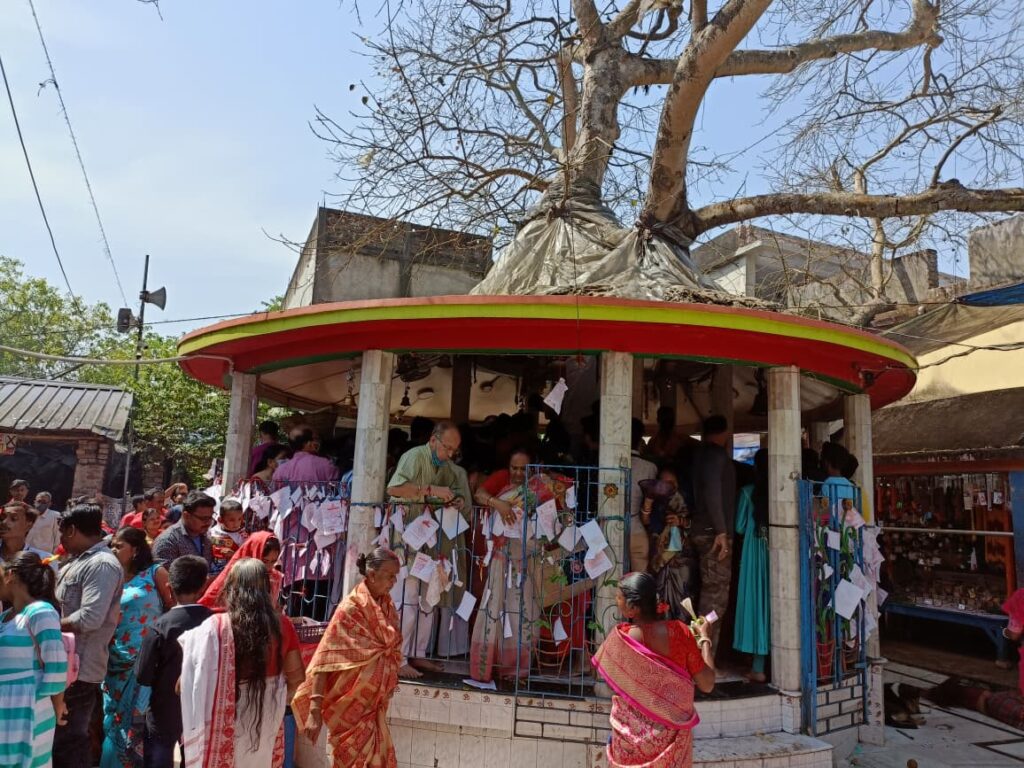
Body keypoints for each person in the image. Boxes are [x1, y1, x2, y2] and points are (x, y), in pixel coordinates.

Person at [179, 559, 305, 768]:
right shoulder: (282, 625)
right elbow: (298, 677)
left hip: (227, 709)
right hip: (269, 709)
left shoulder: (215, 627)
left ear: (231, 589)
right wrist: (278, 698)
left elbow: (186, 682)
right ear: (267, 588)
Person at [292, 548, 403, 766]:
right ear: (372, 575)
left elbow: (392, 648)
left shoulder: (387, 607)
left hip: (374, 708)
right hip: (347, 710)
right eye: (390, 575)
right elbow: (325, 660)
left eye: (395, 576)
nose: (394, 581)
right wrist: (315, 710)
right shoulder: (350, 609)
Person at [592, 572, 715, 768]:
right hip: (672, 741)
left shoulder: (622, 640)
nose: (616, 601)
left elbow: (612, 681)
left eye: (618, 597)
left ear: (632, 608)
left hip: (629, 742)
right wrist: (705, 639)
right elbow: (707, 684)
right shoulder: (680, 633)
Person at [386, 420, 471, 677]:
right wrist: (430, 489)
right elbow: (394, 489)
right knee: (407, 600)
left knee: (428, 599)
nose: (450, 454)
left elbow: (453, 496)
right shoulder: (414, 457)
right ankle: (397, 660)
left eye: (454, 451)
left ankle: (418, 654)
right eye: (447, 448)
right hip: (409, 538)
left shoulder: (445, 466)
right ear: (433, 440)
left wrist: (454, 499)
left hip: (431, 541)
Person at [53, 504, 124, 768]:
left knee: (69, 741)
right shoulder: (79, 560)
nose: (61, 542)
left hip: (80, 670)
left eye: (63, 535)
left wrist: (49, 625)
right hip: (66, 665)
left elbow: (90, 618)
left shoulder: (101, 565)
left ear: (72, 530)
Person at [101, 528, 172, 768]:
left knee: (138, 724)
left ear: (136, 550)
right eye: (111, 545)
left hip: (146, 664)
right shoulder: (111, 577)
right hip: (114, 662)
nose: (113, 550)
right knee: (113, 720)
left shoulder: (155, 573)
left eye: (118, 545)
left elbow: (172, 612)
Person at [469, 449, 540, 683]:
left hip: (526, 560)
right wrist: (498, 503)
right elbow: (479, 494)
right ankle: (487, 665)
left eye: (523, 469)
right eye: (514, 468)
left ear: (532, 469)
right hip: (500, 558)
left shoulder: (539, 488)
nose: (518, 474)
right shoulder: (501, 478)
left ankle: (517, 670)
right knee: (494, 607)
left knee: (521, 611)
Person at [135, 556, 212, 768]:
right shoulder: (215, 623)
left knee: (159, 755)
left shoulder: (160, 626)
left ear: (169, 588)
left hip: (164, 707)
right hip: (202, 707)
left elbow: (143, 675)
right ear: (203, 586)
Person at [0, 552, 69, 768]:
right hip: (7, 707)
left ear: (10, 576)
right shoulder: (6, 616)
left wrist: (56, 703)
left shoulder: (41, 612)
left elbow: (56, 664)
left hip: (27, 705)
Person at [690, 414, 736, 651]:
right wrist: (721, 530)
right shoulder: (715, 457)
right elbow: (712, 491)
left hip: (698, 530)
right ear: (724, 432)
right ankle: (703, 657)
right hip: (712, 534)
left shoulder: (697, 455)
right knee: (715, 600)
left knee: (705, 594)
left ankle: (699, 654)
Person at [733, 449, 770, 683]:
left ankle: (757, 667)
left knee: (756, 605)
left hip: (753, 551)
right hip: (776, 551)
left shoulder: (747, 493)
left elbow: (739, 526)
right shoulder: (779, 493)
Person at [644, 469, 698, 623]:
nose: (668, 487)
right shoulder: (657, 503)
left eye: (671, 483)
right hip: (661, 561)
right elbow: (648, 522)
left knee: (683, 599)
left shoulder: (687, 502)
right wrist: (648, 501)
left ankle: (682, 634)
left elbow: (698, 526)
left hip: (682, 562)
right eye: (664, 483)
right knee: (662, 599)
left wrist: (680, 522)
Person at [199, 532, 283, 611]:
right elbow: (211, 605)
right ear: (253, 554)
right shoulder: (235, 576)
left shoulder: (274, 577)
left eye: (273, 561)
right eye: (265, 561)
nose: (269, 567)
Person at [152, 491, 215, 569]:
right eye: (203, 518)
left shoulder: (206, 536)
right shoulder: (167, 541)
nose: (208, 522)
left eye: (211, 517)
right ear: (186, 516)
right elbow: (166, 578)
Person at [630, 418, 658, 573]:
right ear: (640, 439)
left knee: (609, 583)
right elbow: (648, 504)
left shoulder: (605, 464)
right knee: (639, 583)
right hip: (637, 529)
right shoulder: (650, 467)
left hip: (608, 530)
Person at [272, 427, 340, 486]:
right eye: (315, 439)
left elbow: (276, 494)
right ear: (308, 443)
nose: (317, 442)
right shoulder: (326, 464)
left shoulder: (280, 470)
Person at [208, 499, 249, 576]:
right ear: (221, 520)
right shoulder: (212, 531)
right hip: (212, 571)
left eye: (239, 519)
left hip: (232, 573)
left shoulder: (242, 536)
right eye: (232, 520)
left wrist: (234, 555)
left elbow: (247, 558)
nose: (236, 523)